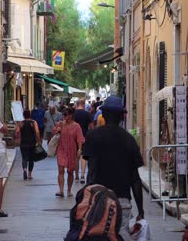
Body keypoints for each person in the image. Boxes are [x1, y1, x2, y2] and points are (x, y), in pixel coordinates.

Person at [82, 96, 145, 240]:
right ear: (121, 117)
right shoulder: (129, 140)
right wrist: (140, 210)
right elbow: (135, 179)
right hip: (122, 201)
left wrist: (87, 199)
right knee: (122, 236)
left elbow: (91, 171)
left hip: (99, 199)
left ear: (103, 115)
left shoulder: (93, 136)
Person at [53, 107, 85, 197]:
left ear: (71, 115)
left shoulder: (76, 126)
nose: (64, 116)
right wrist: (57, 130)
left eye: (66, 114)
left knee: (70, 171)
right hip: (61, 149)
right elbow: (54, 132)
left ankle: (69, 190)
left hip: (72, 150)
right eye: (63, 114)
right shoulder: (61, 124)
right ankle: (61, 190)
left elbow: (80, 138)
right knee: (61, 169)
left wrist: (79, 149)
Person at [15, 109, 41, 180]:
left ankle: (24, 170)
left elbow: (17, 132)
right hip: (32, 143)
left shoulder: (21, 123)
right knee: (31, 159)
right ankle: (29, 174)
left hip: (23, 143)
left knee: (24, 158)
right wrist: (39, 141)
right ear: (30, 115)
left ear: (23, 115)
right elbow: (37, 132)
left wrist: (18, 137)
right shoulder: (33, 122)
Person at [72, 99, 94, 183]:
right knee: (84, 156)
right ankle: (82, 176)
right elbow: (92, 127)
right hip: (85, 137)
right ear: (84, 105)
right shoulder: (87, 114)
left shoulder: (73, 114)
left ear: (76, 105)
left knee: (76, 157)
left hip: (74, 137)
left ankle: (76, 176)